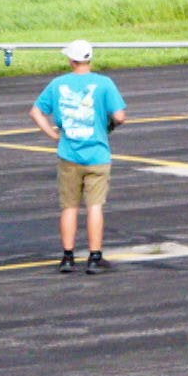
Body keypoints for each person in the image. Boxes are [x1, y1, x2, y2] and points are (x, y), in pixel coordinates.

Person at [29, 40, 127, 274]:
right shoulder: (104, 83)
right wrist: (110, 123)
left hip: (69, 155)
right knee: (95, 207)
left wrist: (54, 135)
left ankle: (67, 257)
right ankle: (94, 257)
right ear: (89, 59)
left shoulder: (57, 84)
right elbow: (120, 116)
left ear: (71, 60)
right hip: (97, 155)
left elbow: (36, 112)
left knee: (69, 207)